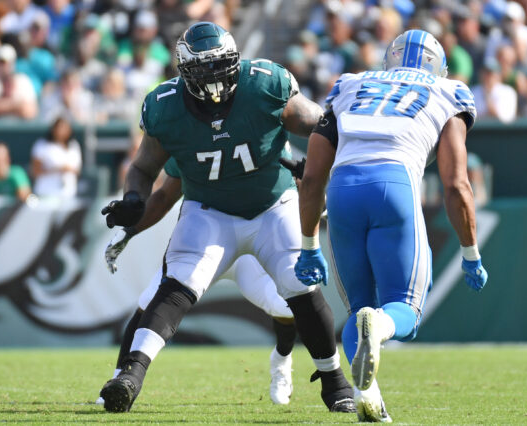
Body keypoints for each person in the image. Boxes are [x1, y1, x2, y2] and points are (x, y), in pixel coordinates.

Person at [99, 22, 356, 414]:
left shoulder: (264, 84)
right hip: (209, 212)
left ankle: (334, 383)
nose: (218, 78)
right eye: (207, 69)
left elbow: (322, 126)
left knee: (298, 285)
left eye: (224, 65)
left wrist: (317, 164)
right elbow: (145, 168)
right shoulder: (165, 106)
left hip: (272, 206)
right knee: (177, 284)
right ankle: (129, 377)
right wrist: (133, 199)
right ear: (186, 73)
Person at [296, 30, 489, 422]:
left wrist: (308, 244)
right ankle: (381, 324)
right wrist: (470, 253)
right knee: (405, 308)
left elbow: (313, 176)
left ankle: (368, 396)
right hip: (394, 184)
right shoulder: (448, 90)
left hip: (343, 190)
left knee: (357, 311)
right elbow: (456, 183)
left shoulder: (351, 83)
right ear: (438, 66)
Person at [98, 162, 297, 405]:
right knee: (150, 301)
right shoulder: (191, 131)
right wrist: (130, 230)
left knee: (287, 305)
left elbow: (290, 175)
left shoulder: (257, 128)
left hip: (251, 246)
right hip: (206, 241)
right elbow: (164, 194)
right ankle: (121, 378)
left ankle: (282, 359)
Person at [30, 116, 82, 198]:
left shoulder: (74, 145)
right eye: (59, 127)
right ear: (53, 129)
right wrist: (58, 169)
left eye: (65, 128)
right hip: (45, 193)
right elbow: (35, 171)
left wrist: (68, 169)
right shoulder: (42, 145)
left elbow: (77, 171)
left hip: (69, 194)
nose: (61, 131)